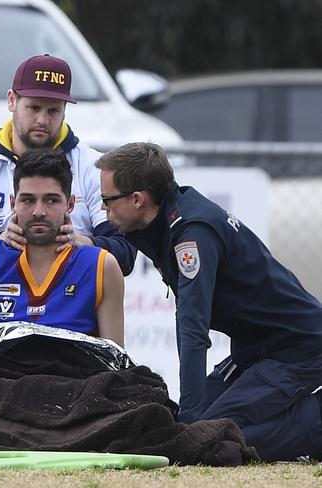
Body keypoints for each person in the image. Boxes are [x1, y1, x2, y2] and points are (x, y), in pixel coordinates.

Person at [95, 141, 322, 461]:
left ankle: (314, 424)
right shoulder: (163, 212)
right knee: (186, 428)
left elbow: (192, 328)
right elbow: (113, 241)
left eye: (106, 200)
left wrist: (190, 422)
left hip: (298, 348)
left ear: (137, 199)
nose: (103, 208)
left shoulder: (192, 233)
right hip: (256, 349)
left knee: (207, 439)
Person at [0, 54, 136, 275]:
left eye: (53, 110)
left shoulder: (95, 168)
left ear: (64, 109)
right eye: (34, 108)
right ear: (11, 100)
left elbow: (126, 254)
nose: (43, 120)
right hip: (4, 306)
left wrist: (83, 244)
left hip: (77, 304)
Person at [0, 148, 124, 351]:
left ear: (70, 204)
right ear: (13, 203)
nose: (39, 212)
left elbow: (116, 364)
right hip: (4, 381)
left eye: (52, 200)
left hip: (77, 382)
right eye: (28, 200)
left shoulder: (101, 266)